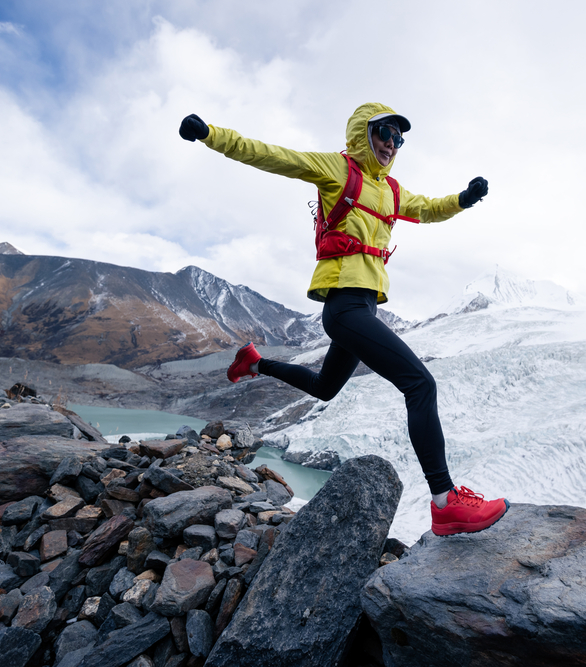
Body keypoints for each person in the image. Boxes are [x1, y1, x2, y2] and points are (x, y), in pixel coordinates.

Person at [179, 102, 508, 536]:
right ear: (363, 134)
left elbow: (427, 209)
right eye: (385, 133)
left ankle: (255, 363)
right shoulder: (338, 169)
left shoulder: (391, 190)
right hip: (344, 306)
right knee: (420, 384)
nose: (392, 144)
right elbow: (272, 155)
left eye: (399, 138)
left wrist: (463, 200)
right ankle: (445, 502)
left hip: (364, 307)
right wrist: (210, 135)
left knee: (325, 387)